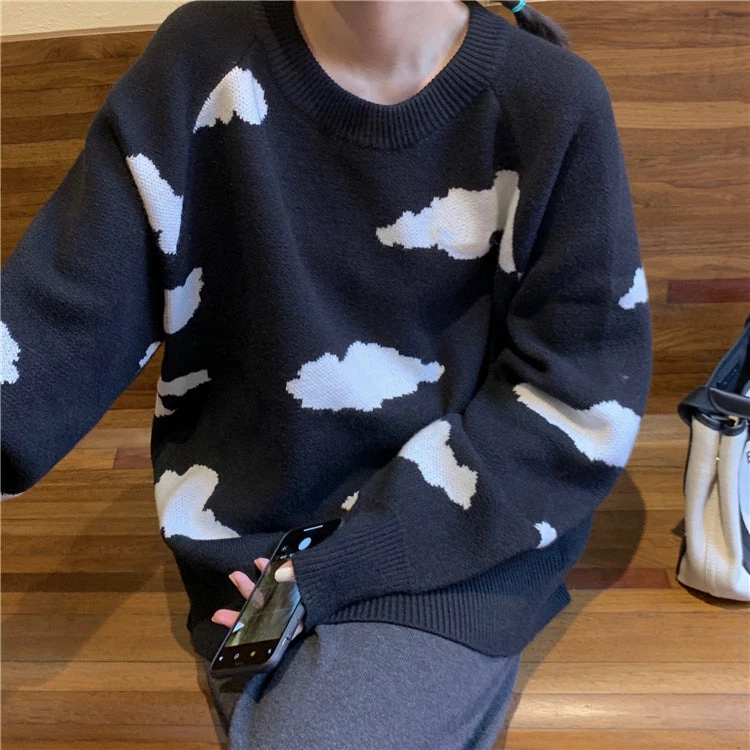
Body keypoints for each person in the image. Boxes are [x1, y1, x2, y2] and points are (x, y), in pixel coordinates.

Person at [0, 0, 652, 747]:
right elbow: (61, 313)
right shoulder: (198, 63)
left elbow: (576, 400)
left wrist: (346, 563)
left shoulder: (553, 103)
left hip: (451, 551)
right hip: (247, 560)